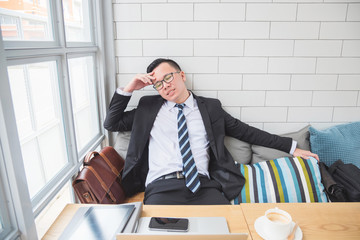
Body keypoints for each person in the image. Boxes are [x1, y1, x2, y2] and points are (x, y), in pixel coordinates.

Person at [103, 58, 319, 205]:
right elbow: (111, 123)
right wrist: (129, 88)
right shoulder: (147, 108)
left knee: (224, 232)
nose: (165, 86)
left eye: (168, 78)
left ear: (182, 75)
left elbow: (247, 132)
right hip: (161, 187)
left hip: (204, 186)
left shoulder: (210, 108)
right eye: (158, 84)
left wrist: (292, 148)